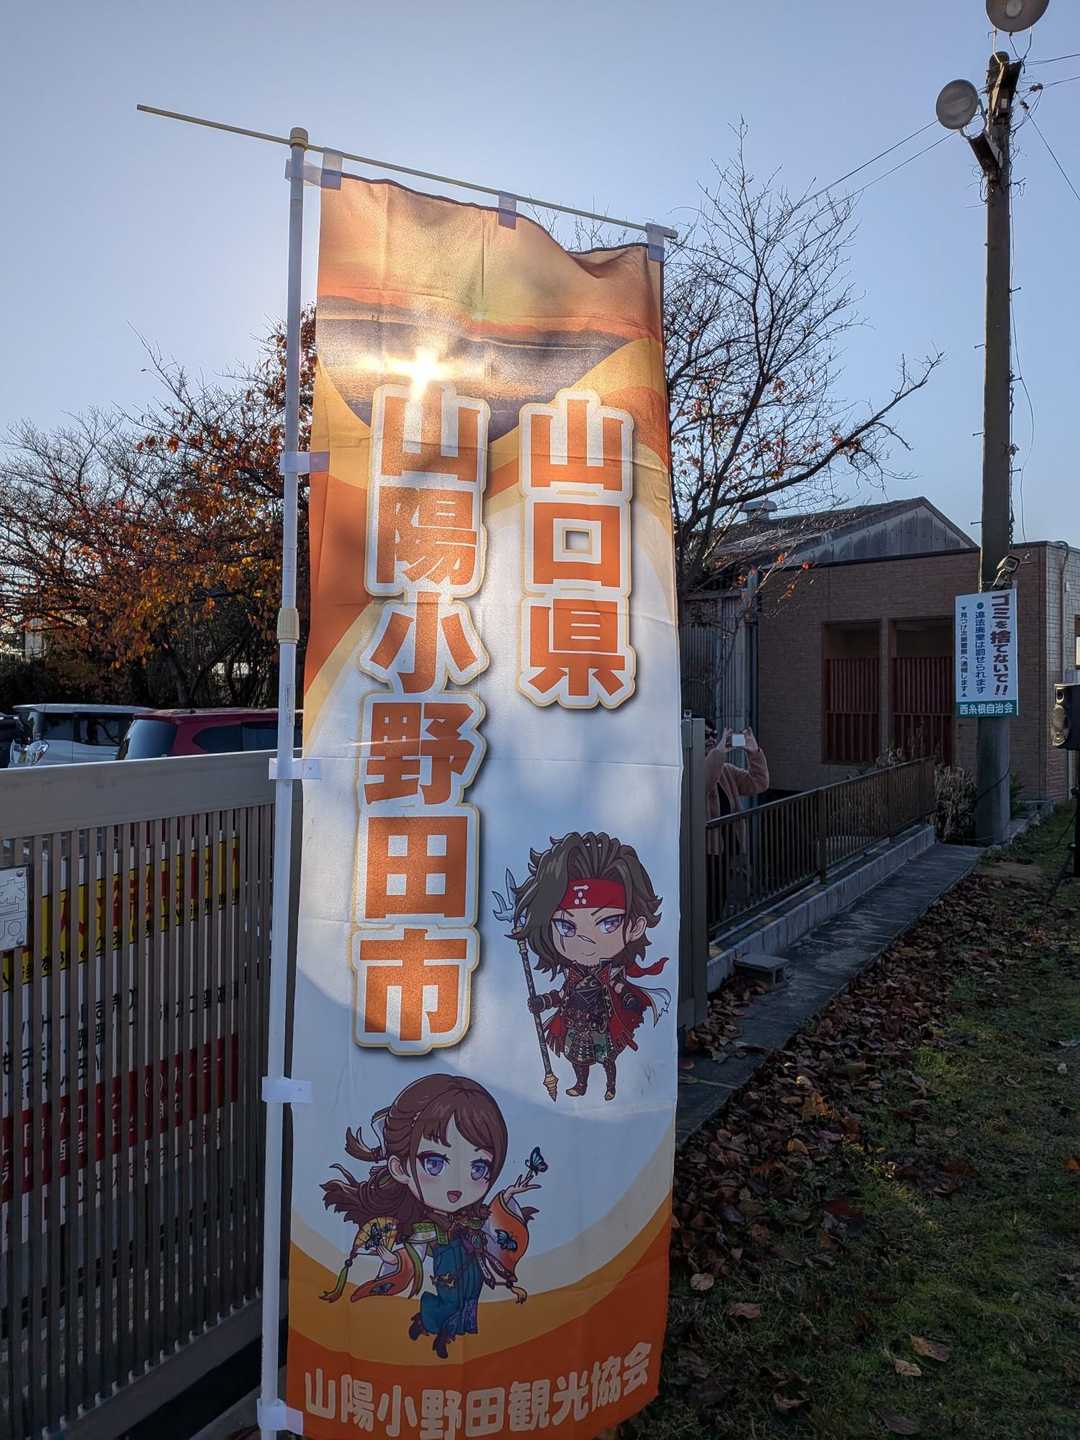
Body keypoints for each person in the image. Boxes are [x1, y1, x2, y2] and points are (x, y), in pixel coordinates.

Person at [318, 1074, 541, 1358]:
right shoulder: (426, 1226)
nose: (457, 1184)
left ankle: (450, 1332)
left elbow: (494, 1224)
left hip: (470, 1263)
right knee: (450, 1301)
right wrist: (392, 1260)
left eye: (478, 1168)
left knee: (470, 1296)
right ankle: (429, 1325)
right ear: (399, 1168)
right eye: (435, 1163)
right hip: (448, 1268)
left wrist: (508, 1196)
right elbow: (414, 1253)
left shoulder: (471, 1216)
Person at [704, 726, 769, 820]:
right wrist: (718, 752)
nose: (711, 739)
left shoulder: (727, 771)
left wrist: (754, 753)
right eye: (705, 735)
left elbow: (760, 782)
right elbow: (707, 781)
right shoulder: (688, 773)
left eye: (714, 734)